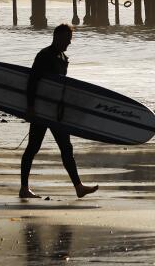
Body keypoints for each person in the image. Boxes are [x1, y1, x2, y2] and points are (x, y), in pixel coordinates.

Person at [20, 24, 99, 199]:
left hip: (57, 111)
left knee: (66, 148)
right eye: (67, 40)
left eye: (70, 40)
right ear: (57, 37)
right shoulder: (44, 56)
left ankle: (79, 187)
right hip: (42, 111)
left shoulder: (62, 57)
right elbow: (32, 81)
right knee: (33, 148)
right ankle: (24, 188)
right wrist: (31, 106)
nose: (69, 43)